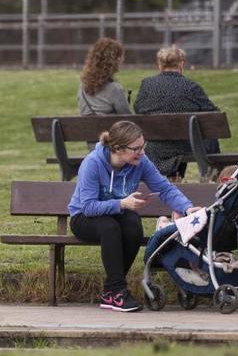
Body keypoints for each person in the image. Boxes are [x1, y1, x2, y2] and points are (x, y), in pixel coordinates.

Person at [68, 120, 203, 312]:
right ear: (117, 148)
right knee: (110, 227)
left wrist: (187, 208)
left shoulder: (141, 162)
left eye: (143, 146)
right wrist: (122, 203)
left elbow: (164, 188)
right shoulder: (93, 163)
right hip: (83, 217)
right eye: (136, 148)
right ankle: (117, 290)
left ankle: (111, 291)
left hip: (115, 215)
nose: (142, 152)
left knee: (132, 224)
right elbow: (88, 207)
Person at [133, 45, 220, 180]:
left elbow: (138, 108)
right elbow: (214, 116)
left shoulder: (147, 85)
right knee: (207, 138)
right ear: (181, 64)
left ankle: (174, 178)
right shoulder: (191, 87)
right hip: (185, 146)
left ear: (160, 65)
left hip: (156, 146)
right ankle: (212, 176)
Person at [77, 38, 132, 115]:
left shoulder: (82, 86)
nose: (122, 60)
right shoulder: (115, 89)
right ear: (114, 61)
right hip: (108, 127)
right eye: (120, 57)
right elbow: (128, 118)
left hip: (85, 127)